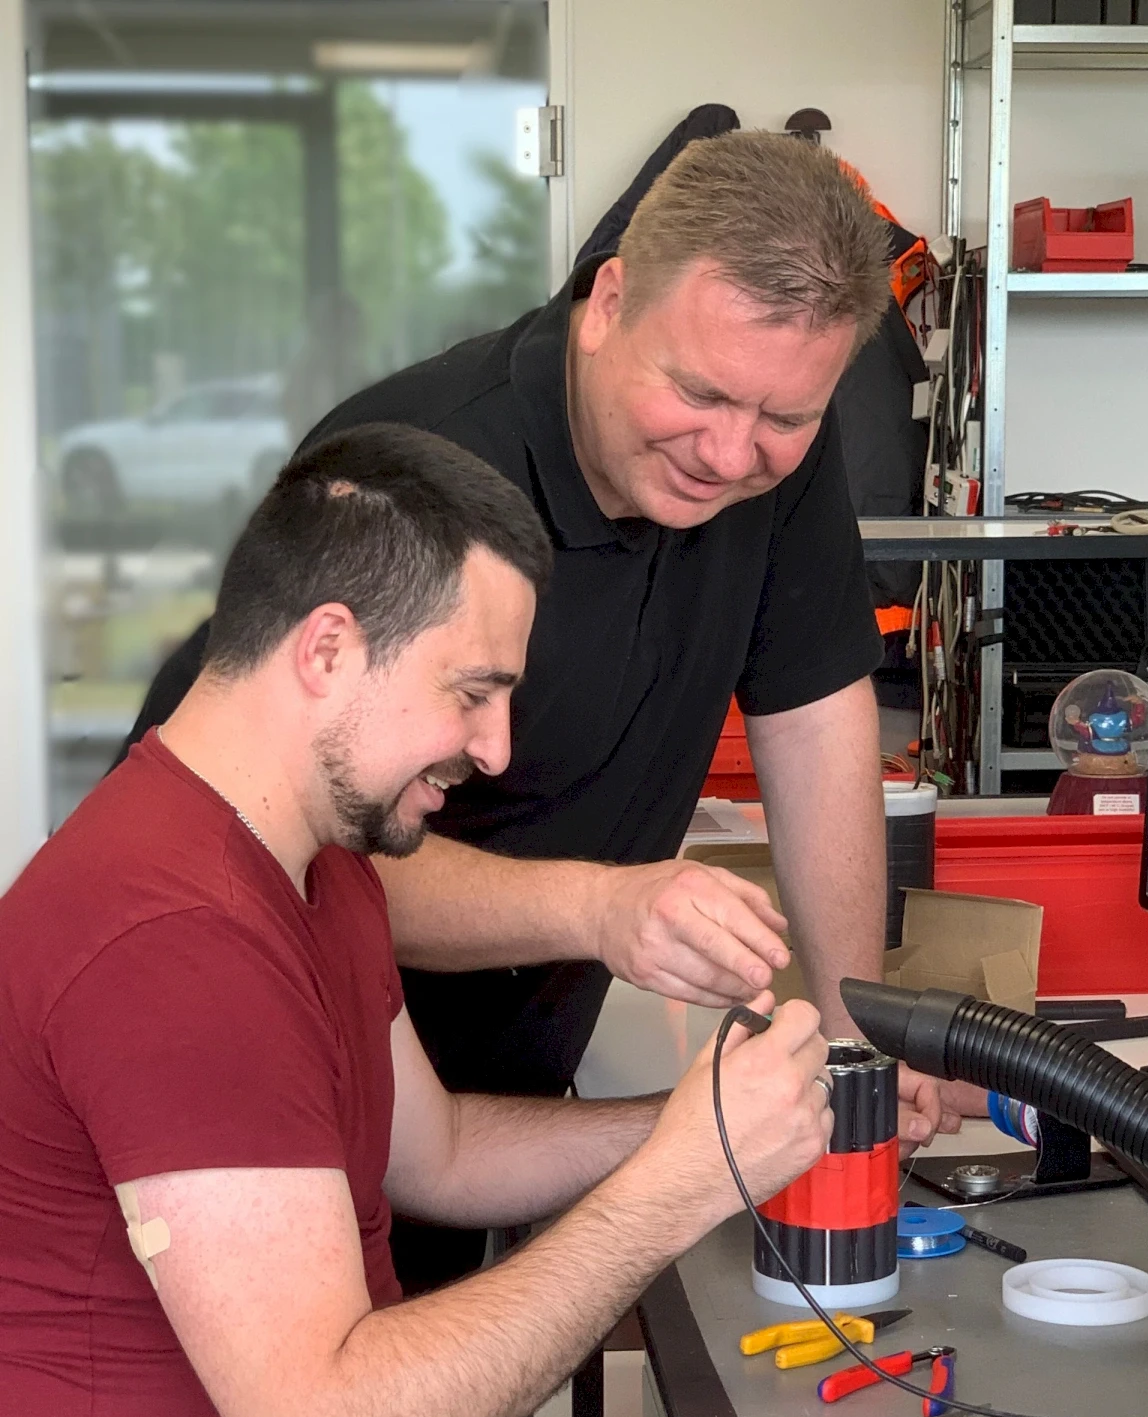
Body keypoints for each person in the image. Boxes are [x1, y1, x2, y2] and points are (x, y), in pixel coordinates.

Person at [117, 131, 972, 1290]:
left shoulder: (772, 441)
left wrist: (846, 1040)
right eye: (699, 392)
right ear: (607, 299)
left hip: (469, 1129)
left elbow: (818, 722)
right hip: (272, 1123)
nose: (731, 454)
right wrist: (601, 906)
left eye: (784, 416)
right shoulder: (418, 481)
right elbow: (286, 853)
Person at [0, 424, 836, 1417]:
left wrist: (704, 1120)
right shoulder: (169, 936)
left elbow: (433, 1154)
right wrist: (674, 1189)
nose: (494, 751)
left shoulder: (313, 862)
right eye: (473, 693)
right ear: (328, 650)